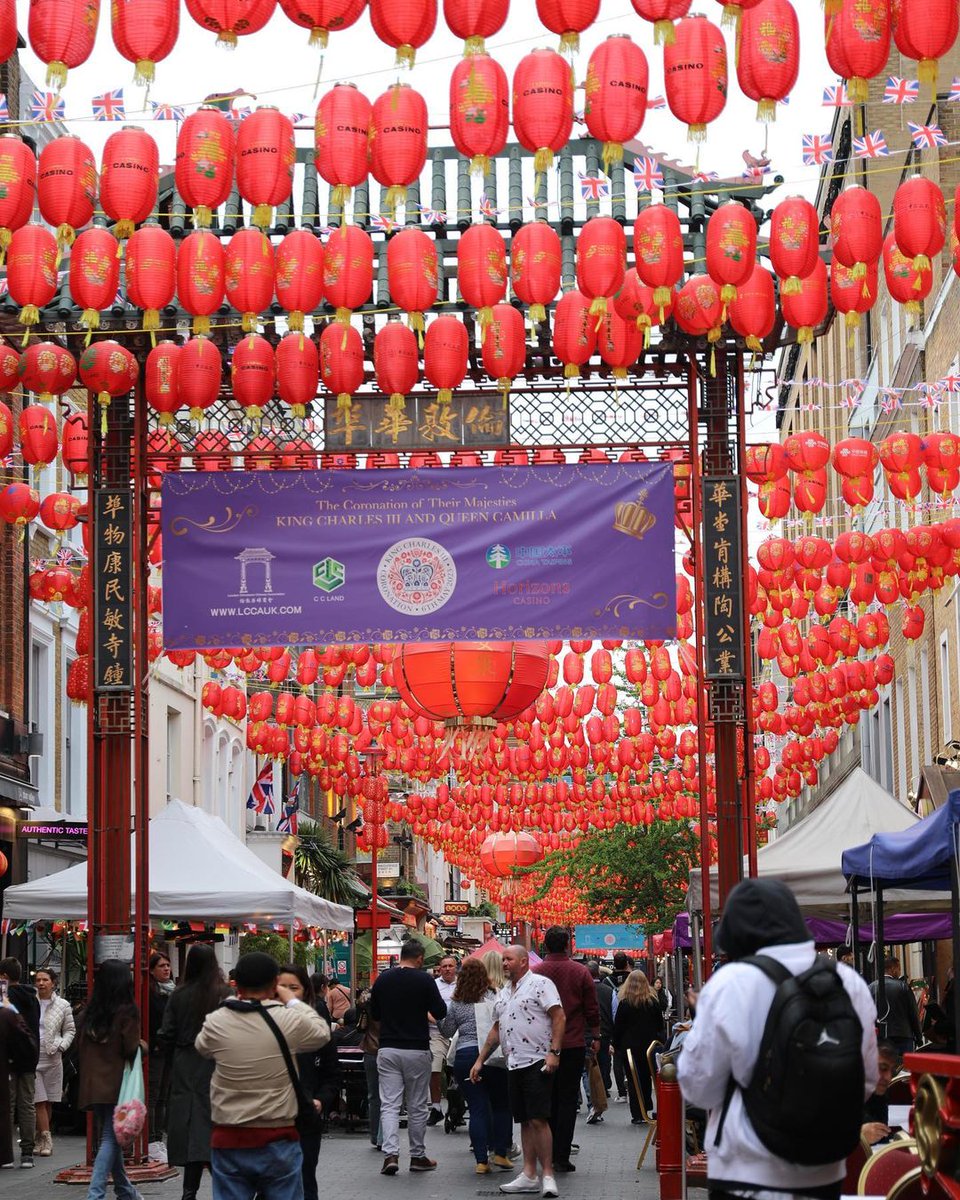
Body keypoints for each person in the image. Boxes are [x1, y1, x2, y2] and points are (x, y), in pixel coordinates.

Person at [678, 879, 878, 1200]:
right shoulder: (847, 981)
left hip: (747, 1171)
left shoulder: (731, 984)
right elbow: (865, 1079)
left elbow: (699, 1087)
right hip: (826, 1170)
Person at [194, 951, 330, 1200]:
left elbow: (202, 1047)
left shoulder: (217, 1021)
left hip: (229, 1137)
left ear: (238, 984)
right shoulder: (287, 1019)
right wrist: (291, 1000)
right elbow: (321, 1032)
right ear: (274, 983)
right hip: (278, 1136)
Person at [472, 944, 565, 1199]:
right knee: (523, 1119)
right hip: (514, 1062)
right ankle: (528, 1174)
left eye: (508, 959)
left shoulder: (540, 984)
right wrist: (480, 1060)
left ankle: (547, 1174)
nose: (504, 964)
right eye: (502, 960)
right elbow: (496, 1028)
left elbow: (558, 1016)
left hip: (537, 1060)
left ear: (523, 961)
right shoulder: (503, 992)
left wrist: (554, 1052)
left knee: (538, 1118)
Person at [369, 939, 447, 1175]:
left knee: (390, 1104)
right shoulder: (425, 980)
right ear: (420, 958)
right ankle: (417, 1156)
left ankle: (390, 1155)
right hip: (416, 1048)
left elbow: (375, 1013)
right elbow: (440, 1011)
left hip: (388, 1048)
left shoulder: (383, 979)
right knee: (416, 1105)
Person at [158, 944, 227, 1200]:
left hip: (185, 1063)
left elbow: (167, 1033)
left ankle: (190, 1190)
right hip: (217, 1064)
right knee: (214, 1126)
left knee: (190, 1128)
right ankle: (226, 1186)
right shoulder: (223, 993)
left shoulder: (179, 994)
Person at [533, 927, 600, 1172]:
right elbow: (592, 1008)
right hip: (572, 1043)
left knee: (546, 1098)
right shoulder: (580, 972)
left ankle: (546, 1153)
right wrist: (596, 1034)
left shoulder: (535, 972)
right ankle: (562, 1154)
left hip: (542, 1045)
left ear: (546, 945)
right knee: (567, 1099)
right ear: (568, 945)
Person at [439, 956, 512, 1174]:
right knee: (501, 1105)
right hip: (491, 1055)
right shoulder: (494, 996)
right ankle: (500, 1153)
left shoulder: (456, 1003)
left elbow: (447, 1032)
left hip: (464, 1055)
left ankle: (481, 1161)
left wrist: (439, 1018)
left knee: (478, 1108)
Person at [77, 959, 142, 1200]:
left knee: (109, 1135)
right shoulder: (127, 1012)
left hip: (94, 1085)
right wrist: (144, 1046)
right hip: (118, 1085)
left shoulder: (89, 1013)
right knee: (110, 1138)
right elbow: (130, 1048)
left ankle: (126, 1191)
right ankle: (95, 1194)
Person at [277, 964, 341, 1200]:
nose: (287, 993)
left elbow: (332, 1073)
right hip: (270, 1118)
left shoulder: (317, 1029)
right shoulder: (263, 1025)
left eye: (293, 987)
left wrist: (321, 1100)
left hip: (306, 1116)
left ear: (305, 990)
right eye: (282, 987)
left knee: (305, 1178)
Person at [0, 956, 39, 1168]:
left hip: (8, 1058)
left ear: (4, 976)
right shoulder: (32, 997)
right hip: (30, 1056)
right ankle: (27, 1153)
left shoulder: (4, 998)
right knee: (27, 1105)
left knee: (8, 1105)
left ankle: (6, 1155)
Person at [612, 970, 665, 1124]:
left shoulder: (624, 1003)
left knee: (633, 1078)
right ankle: (646, 1106)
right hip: (648, 1045)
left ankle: (637, 1113)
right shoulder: (652, 1002)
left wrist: (615, 1044)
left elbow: (618, 1027)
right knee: (646, 1076)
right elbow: (659, 1025)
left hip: (629, 1047)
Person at [33, 968, 75, 1157]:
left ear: (53, 983)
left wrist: (62, 1046)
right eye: (38, 980)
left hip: (53, 1057)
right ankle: (47, 1139)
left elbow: (70, 1030)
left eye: (45, 980)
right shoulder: (30, 1001)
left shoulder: (63, 1005)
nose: (41, 983)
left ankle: (40, 1137)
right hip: (33, 1056)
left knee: (48, 1101)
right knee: (38, 1101)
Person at [147, 952, 174, 1155]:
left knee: (163, 1096)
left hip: (169, 1051)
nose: (166, 969)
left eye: (168, 965)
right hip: (155, 1050)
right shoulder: (149, 992)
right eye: (161, 966)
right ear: (152, 970)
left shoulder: (173, 991)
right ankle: (151, 1138)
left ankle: (158, 1138)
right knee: (153, 1095)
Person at [870, 955, 923, 1055]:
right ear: (893, 969)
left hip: (880, 1037)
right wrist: (918, 1036)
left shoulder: (871, 988)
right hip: (903, 1036)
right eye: (899, 969)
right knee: (905, 1067)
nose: (899, 972)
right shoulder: (903, 987)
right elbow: (913, 1013)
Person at [427, 955, 458, 1127]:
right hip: (436, 1033)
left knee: (458, 1070)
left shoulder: (462, 985)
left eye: (450, 966)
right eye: (444, 966)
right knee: (435, 1069)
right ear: (439, 968)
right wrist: (437, 1022)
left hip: (458, 1033)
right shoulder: (433, 986)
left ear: (455, 968)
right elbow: (425, 1008)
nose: (447, 969)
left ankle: (457, 1105)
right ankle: (436, 1107)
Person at [862, 1041, 901, 1145]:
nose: (888, 1077)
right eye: (882, 1068)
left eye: (892, 1071)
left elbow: (881, 1135)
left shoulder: (879, 1094)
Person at [587, 962, 614, 1102]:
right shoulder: (608, 990)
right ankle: (603, 1086)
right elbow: (613, 1012)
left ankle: (592, 1091)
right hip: (605, 1031)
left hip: (587, 1032)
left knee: (587, 1064)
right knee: (604, 1060)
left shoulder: (582, 989)